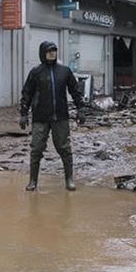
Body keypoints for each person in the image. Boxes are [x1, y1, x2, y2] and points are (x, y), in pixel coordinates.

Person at [19, 41, 85, 192]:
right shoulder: (35, 72)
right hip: (40, 118)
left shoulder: (64, 71)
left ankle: (69, 179)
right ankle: (33, 181)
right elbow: (26, 93)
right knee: (36, 149)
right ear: (43, 53)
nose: (52, 54)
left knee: (64, 148)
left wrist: (81, 109)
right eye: (49, 52)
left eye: (54, 51)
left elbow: (75, 91)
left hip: (60, 117)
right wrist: (23, 113)